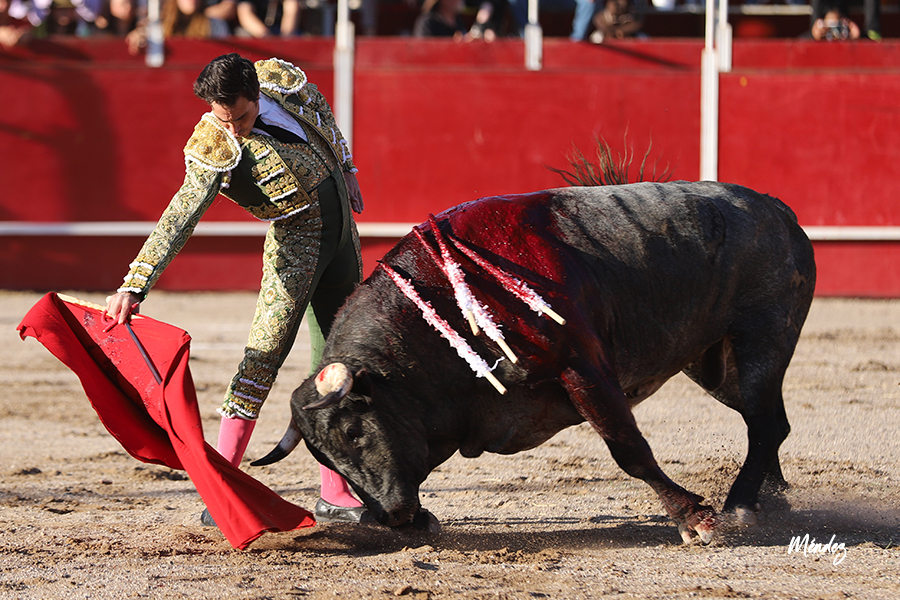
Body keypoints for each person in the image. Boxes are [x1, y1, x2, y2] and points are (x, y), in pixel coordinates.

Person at [105, 53, 369, 525]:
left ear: (256, 94)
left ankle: (335, 490)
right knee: (261, 358)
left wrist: (345, 167)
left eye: (242, 117)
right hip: (295, 249)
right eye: (223, 118)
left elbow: (322, 111)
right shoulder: (213, 142)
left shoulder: (282, 84)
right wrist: (135, 284)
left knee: (341, 361)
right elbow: (181, 214)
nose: (234, 130)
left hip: (343, 241)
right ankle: (221, 489)